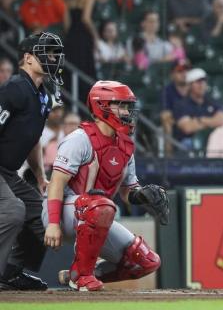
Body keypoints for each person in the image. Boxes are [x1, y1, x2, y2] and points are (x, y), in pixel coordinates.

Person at [43, 81, 168, 291]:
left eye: (128, 106)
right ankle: (81, 276)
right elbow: (56, 183)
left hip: (97, 213)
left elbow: (128, 192)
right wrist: (53, 224)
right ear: (102, 106)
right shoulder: (80, 139)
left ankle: (79, 273)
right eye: (122, 105)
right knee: (101, 205)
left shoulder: (126, 144)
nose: (128, 111)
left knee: (145, 261)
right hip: (59, 211)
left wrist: (143, 195)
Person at [0, 32, 64, 290]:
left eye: (54, 54)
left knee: (43, 214)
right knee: (13, 211)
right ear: (27, 58)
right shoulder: (14, 87)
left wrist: (40, 176)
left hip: (7, 172)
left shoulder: (44, 95)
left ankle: (11, 272)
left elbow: (32, 138)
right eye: (46, 53)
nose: (53, 59)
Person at [63, 0, 98, 104]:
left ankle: (72, 106)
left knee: (71, 75)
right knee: (85, 72)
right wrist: (95, 37)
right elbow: (86, 18)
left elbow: (66, 24)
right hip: (83, 37)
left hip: (71, 38)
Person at [173, 68, 223, 151]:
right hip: (190, 142)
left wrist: (200, 120)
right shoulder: (181, 104)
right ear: (190, 85)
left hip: (213, 140)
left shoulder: (210, 101)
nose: (202, 85)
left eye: (204, 81)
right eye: (198, 82)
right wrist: (212, 122)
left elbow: (222, 120)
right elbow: (188, 128)